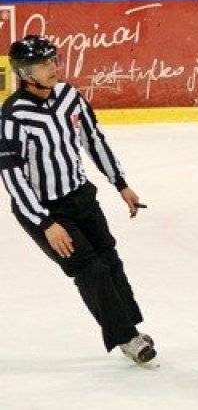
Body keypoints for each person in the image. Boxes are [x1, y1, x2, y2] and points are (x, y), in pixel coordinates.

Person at [0, 35, 155, 363]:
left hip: (80, 196)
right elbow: (12, 178)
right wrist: (45, 223)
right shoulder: (13, 116)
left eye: (54, 60)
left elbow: (93, 140)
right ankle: (126, 336)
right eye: (44, 64)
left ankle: (129, 327)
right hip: (44, 210)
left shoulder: (70, 96)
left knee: (110, 260)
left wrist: (120, 183)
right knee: (90, 269)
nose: (53, 67)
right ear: (26, 73)